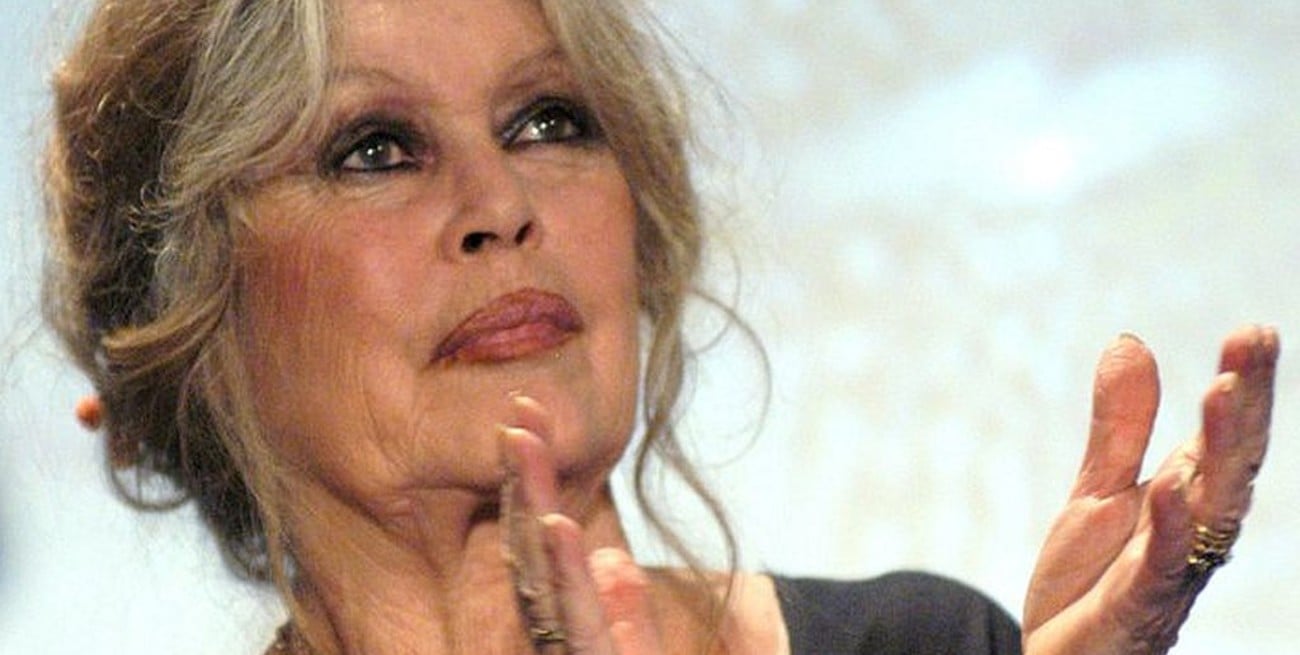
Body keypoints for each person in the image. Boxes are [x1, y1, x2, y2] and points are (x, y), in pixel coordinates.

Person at [41, 0, 1279, 653]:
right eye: (375, 149)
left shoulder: (922, 645)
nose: (500, 203)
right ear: (189, 311)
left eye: (548, 123)